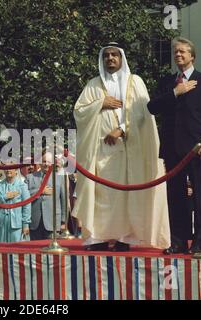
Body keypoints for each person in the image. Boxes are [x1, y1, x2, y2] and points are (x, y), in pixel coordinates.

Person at [73, 42, 170, 252]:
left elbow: (143, 113)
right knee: (101, 196)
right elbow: (78, 112)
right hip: (100, 153)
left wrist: (123, 129)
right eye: (106, 55)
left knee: (127, 195)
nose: (110, 59)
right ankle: (97, 237)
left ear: (121, 58)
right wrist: (100, 103)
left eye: (114, 55)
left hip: (129, 150)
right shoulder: (93, 85)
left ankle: (125, 238)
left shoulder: (135, 82)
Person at [148, 37, 201, 254]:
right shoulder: (168, 82)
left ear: (192, 56)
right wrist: (176, 92)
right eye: (176, 52)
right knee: (175, 196)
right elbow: (152, 107)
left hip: (198, 148)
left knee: (200, 197)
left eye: (183, 52)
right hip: (172, 148)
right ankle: (178, 240)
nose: (178, 55)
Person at [26, 152, 66, 240]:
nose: (46, 164)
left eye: (49, 161)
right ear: (40, 162)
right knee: (34, 251)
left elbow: (64, 200)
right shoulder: (30, 177)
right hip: (34, 222)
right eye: (44, 161)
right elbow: (25, 197)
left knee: (51, 252)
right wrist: (40, 191)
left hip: (53, 222)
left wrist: (63, 221)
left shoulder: (59, 177)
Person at [0, 162, 31, 243]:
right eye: (6, 168)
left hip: (16, 226)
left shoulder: (22, 186)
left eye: (11, 168)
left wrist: (25, 224)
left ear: (16, 170)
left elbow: (27, 206)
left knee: (16, 251)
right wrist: (4, 197)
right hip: (0, 224)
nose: (8, 170)